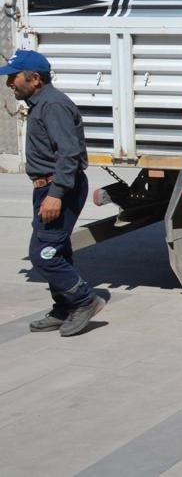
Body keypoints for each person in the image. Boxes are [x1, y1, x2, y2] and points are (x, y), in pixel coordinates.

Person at [2, 49, 105, 337]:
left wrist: (56, 193)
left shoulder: (53, 105)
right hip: (49, 186)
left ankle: (84, 301)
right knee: (57, 248)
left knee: (43, 255)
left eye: (14, 78)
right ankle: (64, 308)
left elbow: (69, 154)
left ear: (34, 79)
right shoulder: (40, 103)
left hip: (60, 187)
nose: (10, 84)